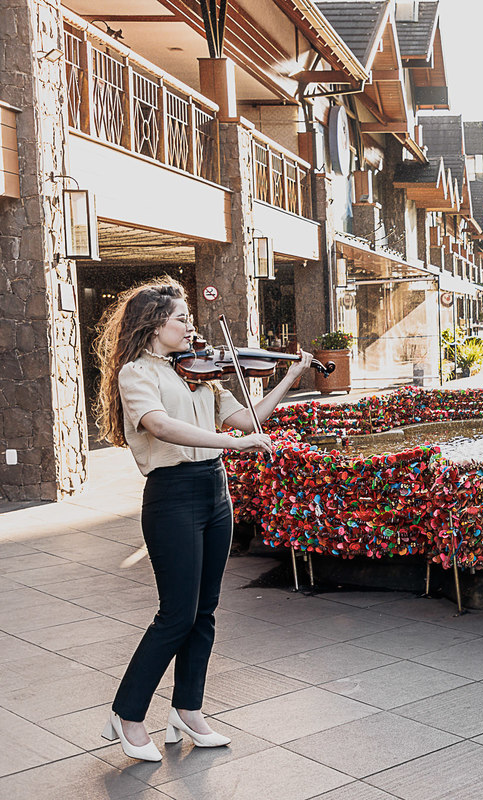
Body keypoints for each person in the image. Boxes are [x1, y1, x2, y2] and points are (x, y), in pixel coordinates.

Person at [93, 277, 313, 762]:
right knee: (177, 614)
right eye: (182, 319)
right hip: (172, 495)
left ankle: (186, 710)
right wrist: (234, 446)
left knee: (205, 612)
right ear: (154, 326)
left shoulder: (201, 375)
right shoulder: (137, 373)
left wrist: (289, 376)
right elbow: (160, 425)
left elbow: (250, 419)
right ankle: (127, 714)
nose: (190, 327)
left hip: (215, 491)